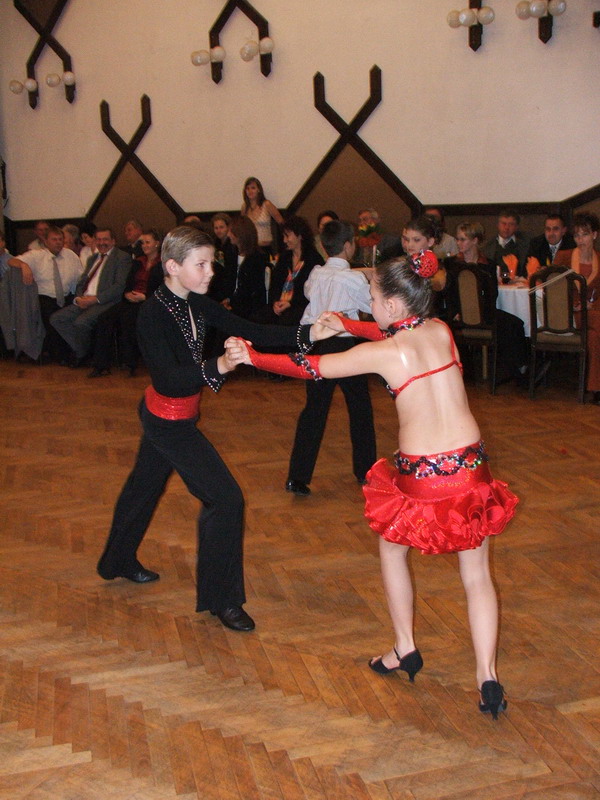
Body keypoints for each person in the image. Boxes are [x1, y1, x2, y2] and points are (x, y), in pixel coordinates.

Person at [238, 250, 518, 718]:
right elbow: (397, 332)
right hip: (472, 468)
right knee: (475, 575)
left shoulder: (384, 353)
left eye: (371, 299)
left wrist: (251, 356)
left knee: (391, 549)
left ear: (391, 305)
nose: (368, 306)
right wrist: (348, 324)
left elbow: (311, 366)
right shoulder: (440, 330)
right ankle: (487, 677)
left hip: (424, 476)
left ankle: (405, 647)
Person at [96, 226, 332, 632]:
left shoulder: (195, 301)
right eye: (201, 264)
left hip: (176, 414)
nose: (210, 272)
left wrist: (310, 332)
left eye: (211, 263)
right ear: (173, 267)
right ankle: (222, 599)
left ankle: (115, 560)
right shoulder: (152, 313)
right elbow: (168, 379)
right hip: (167, 421)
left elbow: (252, 330)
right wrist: (219, 365)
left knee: (143, 488)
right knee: (226, 500)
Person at [285, 219, 377, 496]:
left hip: (315, 344)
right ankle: (365, 471)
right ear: (349, 246)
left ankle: (297, 477)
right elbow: (370, 305)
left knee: (314, 410)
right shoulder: (353, 279)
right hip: (344, 345)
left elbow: (309, 292)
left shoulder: (315, 274)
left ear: (324, 247)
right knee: (359, 408)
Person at [446, 222, 529, 384]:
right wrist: (455, 311)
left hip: (484, 312)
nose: (458, 243)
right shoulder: (451, 264)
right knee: (510, 325)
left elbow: (492, 295)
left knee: (515, 324)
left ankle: (517, 368)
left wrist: (481, 311)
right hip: (459, 314)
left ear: (475, 240)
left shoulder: (488, 265)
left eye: (463, 239)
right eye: (458, 239)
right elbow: (449, 293)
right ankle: (515, 368)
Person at [50, 227, 132, 366]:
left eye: (105, 239)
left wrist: (95, 299)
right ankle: (85, 350)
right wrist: (78, 298)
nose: (101, 243)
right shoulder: (93, 258)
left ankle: (81, 355)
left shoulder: (122, 258)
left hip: (105, 302)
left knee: (80, 323)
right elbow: (81, 282)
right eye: (98, 239)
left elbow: (119, 286)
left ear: (113, 241)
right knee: (57, 319)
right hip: (84, 300)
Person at [88, 228, 164, 377]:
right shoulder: (138, 262)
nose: (144, 245)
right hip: (132, 299)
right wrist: (127, 293)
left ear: (157, 243)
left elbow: (164, 288)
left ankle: (130, 363)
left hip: (151, 302)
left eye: (148, 242)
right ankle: (101, 364)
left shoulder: (164, 264)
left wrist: (145, 297)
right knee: (104, 318)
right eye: (142, 243)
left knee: (128, 319)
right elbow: (128, 282)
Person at [7, 225, 83, 360]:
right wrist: (24, 265)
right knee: (51, 317)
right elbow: (11, 261)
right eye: (54, 239)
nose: (58, 242)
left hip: (68, 296)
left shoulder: (70, 255)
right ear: (46, 241)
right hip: (45, 297)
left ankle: (75, 351)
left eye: (60, 239)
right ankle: (62, 355)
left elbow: (81, 277)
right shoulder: (36, 255)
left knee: (72, 316)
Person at [553, 211, 600, 404]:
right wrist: (574, 305)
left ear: (594, 235)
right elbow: (553, 289)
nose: (580, 240)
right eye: (577, 235)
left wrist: (592, 304)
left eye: (585, 234)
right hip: (569, 315)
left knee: (594, 337)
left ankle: (595, 389)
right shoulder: (563, 257)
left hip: (592, 316)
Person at [261, 215, 321, 326]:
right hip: (281, 304)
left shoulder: (313, 259)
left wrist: (291, 303)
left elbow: (314, 292)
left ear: (300, 236)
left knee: (287, 320)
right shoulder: (284, 257)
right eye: (283, 236)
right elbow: (275, 283)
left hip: (301, 306)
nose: (284, 240)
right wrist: (275, 302)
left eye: (287, 236)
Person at [225, 216, 268, 319]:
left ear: (240, 234)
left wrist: (232, 303)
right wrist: (227, 299)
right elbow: (229, 281)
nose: (228, 234)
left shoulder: (257, 258)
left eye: (231, 232)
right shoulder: (231, 253)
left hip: (249, 308)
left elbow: (252, 289)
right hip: (234, 303)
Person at [241, 176, 284, 254]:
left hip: (266, 248)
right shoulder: (245, 207)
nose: (250, 191)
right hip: (250, 249)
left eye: (253, 188)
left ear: (259, 190)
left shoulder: (267, 204)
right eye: (247, 188)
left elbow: (281, 222)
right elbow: (243, 229)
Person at [483, 209, 530, 279]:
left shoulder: (526, 246)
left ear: (516, 227)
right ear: (498, 225)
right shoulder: (487, 246)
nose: (507, 228)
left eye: (511, 224)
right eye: (503, 223)